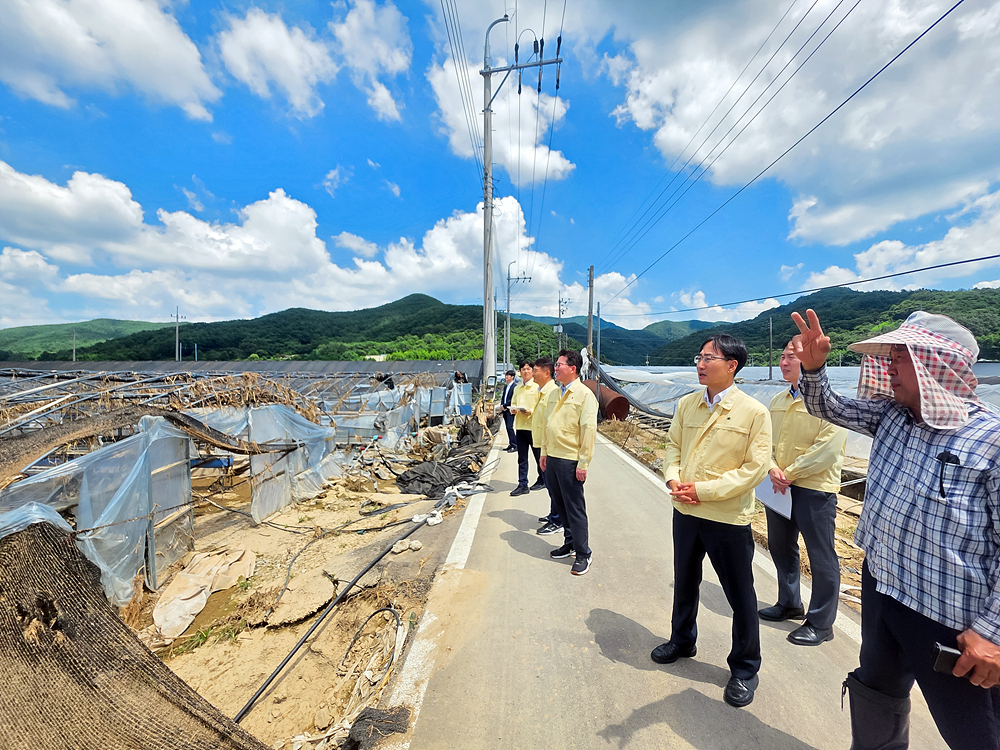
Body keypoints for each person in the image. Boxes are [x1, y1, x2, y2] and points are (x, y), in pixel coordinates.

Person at [791, 309, 1000, 749]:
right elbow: (828, 406)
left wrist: (992, 632)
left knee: (975, 730)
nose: (888, 368)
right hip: (883, 586)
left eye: (900, 358)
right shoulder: (891, 415)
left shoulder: (990, 440)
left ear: (934, 364)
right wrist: (814, 369)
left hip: (951, 618)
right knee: (877, 692)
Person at [653, 334, 771, 708]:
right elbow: (673, 447)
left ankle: (745, 669)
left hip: (726, 516)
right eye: (699, 357)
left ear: (732, 365)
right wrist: (673, 479)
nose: (701, 364)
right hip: (686, 510)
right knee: (685, 580)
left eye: (709, 358)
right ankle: (682, 639)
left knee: (740, 594)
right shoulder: (687, 404)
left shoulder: (754, 412)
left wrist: (703, 490)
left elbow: (755, 469)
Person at [759, 341, 847, 647]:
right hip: (778, 486)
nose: (784, 362)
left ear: (808, 361)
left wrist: (789, 473)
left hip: (814, 489)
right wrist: (772, 468)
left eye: (791, 357)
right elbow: (765, 442)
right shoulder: (778, 400)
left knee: (821, 555)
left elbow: (827, 449)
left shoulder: (831, 402)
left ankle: (821, 622)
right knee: (781, 546)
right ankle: (789, 603)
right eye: (782, 356)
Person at [539, 350, 598, 576]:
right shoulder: (555, 393)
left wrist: (583, 462)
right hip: (553, 457)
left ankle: (583, 553)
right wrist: (544, 451)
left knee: (574, 507)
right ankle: (570, 543)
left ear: (572, 368)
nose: (555, 368)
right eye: (556, 364)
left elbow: (588, 430)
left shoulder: (584, 395)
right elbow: (548, 424)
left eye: (559, 365)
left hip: (570, 459)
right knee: (560, 504)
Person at [531, 357, 562, 535]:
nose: (532, 373)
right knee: (549, 484)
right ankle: (553, 515)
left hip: (548, 446)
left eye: (535, 370)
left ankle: (557, 520)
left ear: (546, 373)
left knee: (553, 485)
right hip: (540, 443)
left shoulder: (553, 393)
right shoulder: (542, 391)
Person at [510, 361, 543, 496]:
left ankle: (543, 479)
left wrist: (531, 411)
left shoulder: (537, 387)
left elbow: (541, 406)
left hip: (533, 427)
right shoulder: (517, 388)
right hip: (520, 427)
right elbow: (513, 403)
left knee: (538, 456)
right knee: (522, 458)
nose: (525, 371)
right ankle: (522, 484)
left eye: (528, 369)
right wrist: (513, 409)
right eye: (523, 369)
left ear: (533, 371)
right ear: (520, 372)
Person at [500, 369, 517, 453]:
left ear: (512, 377)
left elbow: (512, 399)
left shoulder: (515, 387)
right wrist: (502, 405)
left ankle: (515, 445)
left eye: (508, 376)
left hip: (510, 410)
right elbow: (504, 397)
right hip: (505, 410)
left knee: (510, 427)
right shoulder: (506, 387)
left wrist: (505, 405)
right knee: (507, 427)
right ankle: (511, 443)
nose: (506, 377)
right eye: (506, 375)